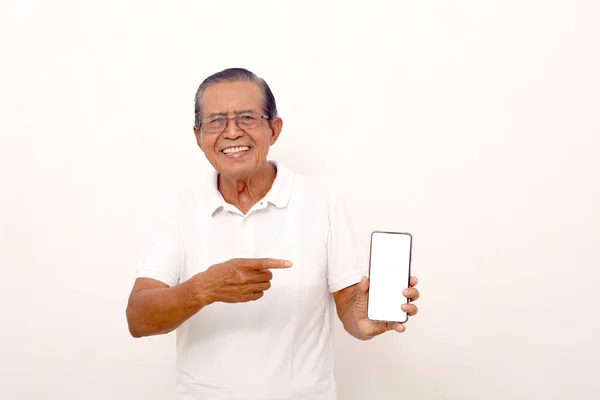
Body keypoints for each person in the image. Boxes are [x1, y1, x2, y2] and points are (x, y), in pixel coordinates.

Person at [125, 68, 420, 400]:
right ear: (198, 136)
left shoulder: (323, 201)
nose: (232, 132)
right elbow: (138, 318)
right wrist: (204, 288)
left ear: (274, 129)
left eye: (247, 117)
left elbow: (351, 308)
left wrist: (365, 321)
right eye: (216, 121)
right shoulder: (179, 208)